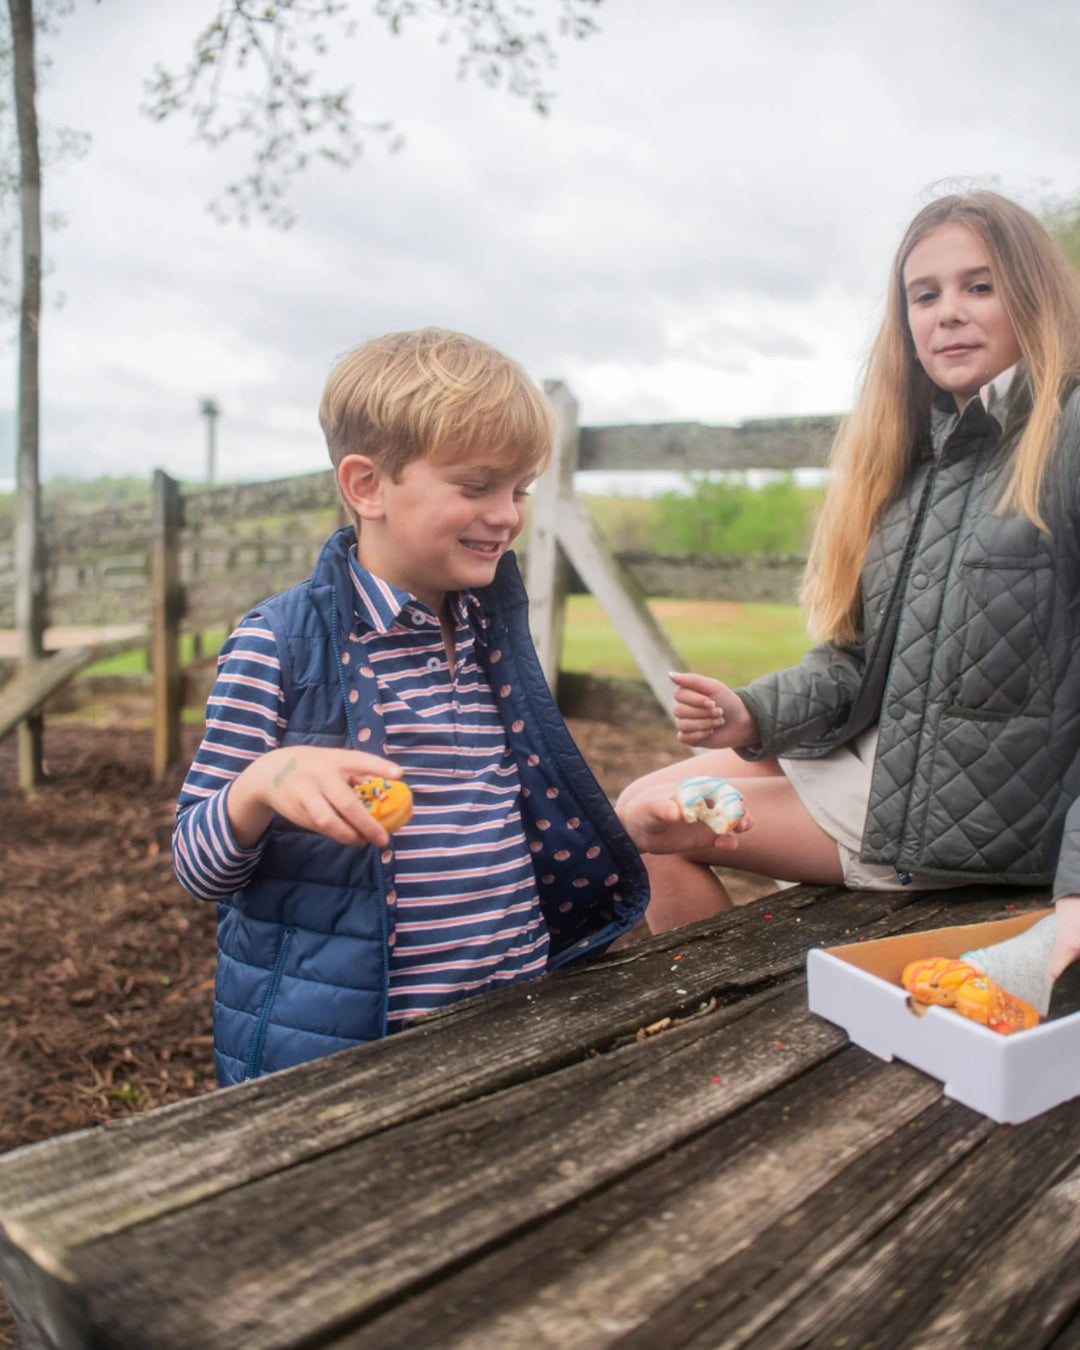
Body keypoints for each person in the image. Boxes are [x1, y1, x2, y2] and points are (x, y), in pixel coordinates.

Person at [617, 190, 1080, 1003]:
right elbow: (856, 661)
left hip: (966, 811)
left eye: (980, 286)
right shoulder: (921, 457)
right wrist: (751, 716)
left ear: (1034, 295)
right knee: (640, 803)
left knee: (650, 825)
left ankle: (721, 1021)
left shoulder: (1066, 437)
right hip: (890, 746)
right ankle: (723, 1007)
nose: (949, 315)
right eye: (924, 294)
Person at [174, 328, 647, 1085]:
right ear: (367, 486)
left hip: (518, 1010)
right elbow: (197, 865)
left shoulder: (490, 627)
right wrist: (265, 782)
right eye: (476, 487)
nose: (507, 515)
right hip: (361, 1050)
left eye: (520, 490)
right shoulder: (279, 646)